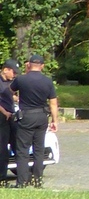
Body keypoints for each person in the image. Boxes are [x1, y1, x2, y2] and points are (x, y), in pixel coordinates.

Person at [11, 54, 57, 188]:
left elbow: (10, 91)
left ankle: (22, 182)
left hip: (26, 117)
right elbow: (53, 103)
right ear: (42, 66)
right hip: (42, 117)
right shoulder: (48, 81)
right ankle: (38, 180)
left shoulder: (21, 79)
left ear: (29, 65)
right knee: (39, 149)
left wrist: (26, 72)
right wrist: (55, 121)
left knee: (23, 150)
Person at [0, 60, 15, 182]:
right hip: (2, 116)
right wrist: (4, 112)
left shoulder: (10, 82)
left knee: (16, 144)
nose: (14, 75)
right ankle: (2, 177)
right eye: (13, 72)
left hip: (10, 116)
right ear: (6, 70)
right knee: (2, 147)